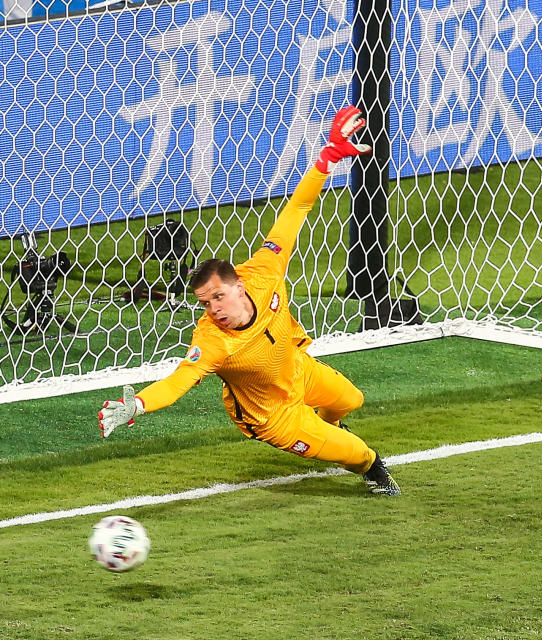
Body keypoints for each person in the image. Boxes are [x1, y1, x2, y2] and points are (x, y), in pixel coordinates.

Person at [98, 105, 400, 496]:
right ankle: (374, 472)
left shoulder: (264, 272)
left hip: (297, 371)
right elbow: (177, 383)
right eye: (206, 303)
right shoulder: (212, 341)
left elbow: (297, 210)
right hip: (271, 415)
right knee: (359, 452)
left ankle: (329, 427)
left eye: (218, 297)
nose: (214, 309)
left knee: (351, 399)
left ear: (239, 286)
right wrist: (137, 405)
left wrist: (325, 161)